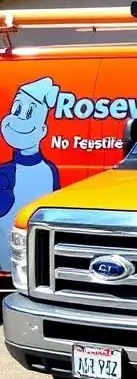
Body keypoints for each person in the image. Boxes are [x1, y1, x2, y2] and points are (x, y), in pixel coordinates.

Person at [0, 77, 62, 271]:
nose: (16, 120)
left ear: (43, 130)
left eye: (27, 113)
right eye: (16, 110)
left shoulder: (51, 171)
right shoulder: (6, 172)